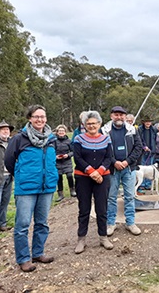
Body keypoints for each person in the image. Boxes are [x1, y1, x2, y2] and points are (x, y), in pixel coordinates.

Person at [4, 105, 58, 272]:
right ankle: (23, 259)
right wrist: (22, 176)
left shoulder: (51, 139)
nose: (40, 119)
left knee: (42, 223)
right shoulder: (19, 139)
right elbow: (9, 161)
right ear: (30, 118)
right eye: (36, 116)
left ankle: (38, 253)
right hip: (26, 188)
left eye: (43, 116)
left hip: (46, 187)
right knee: (23, 224)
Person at [73, 111, 113, 253]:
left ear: (99, 124)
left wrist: (100, 172)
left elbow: (109, 158)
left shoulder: (106, 139)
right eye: (88, 123)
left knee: (102, 209)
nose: (91, 126)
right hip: (83, 177)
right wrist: (91, 172)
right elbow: (77, 158)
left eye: (94, 123)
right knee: (84, 209)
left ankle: (103, 237)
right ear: (84, 125)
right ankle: (81, 239)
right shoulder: (78, 139)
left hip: (103, 177)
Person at [102, 106, 143, 237]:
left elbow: (138, 147)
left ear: (125, 116)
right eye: (116, 114)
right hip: (113, 169)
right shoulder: (104, 131)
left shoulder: (132, 130)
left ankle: (130, 222)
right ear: (111, 116)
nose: (119, 117)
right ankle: (111, 223)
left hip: (129, 168)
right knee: (111, 197)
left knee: (130, 196)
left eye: (121, 115)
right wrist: (114, 162)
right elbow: (103, 149)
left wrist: (127, 161)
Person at [54, 124, 75, 201]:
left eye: (63, 131)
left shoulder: (69, 141)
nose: (61, 132)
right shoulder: (54, 141)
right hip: (57, 162)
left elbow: (73, 151)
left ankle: (72, 190)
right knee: (59, 177)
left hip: (67, 161)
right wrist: (55, 156)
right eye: (60, 131)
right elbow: (51, 151)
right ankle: (60, 193)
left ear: (65, 132)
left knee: (69, 175)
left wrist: (68, 155)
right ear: (57, 132)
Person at [138, 116, 157, 193]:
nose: (148, 123)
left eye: (149, 122)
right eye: (146, 122)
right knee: (143, 168)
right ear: (143, 122)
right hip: (143, 151)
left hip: (151, 151)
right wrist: (143, 147)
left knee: (150, 168)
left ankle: (148, 185)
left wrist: (153, 149)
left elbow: (155, 139)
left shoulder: (153, 129)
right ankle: (142, 184)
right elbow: (139, 139)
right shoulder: (140, 129)